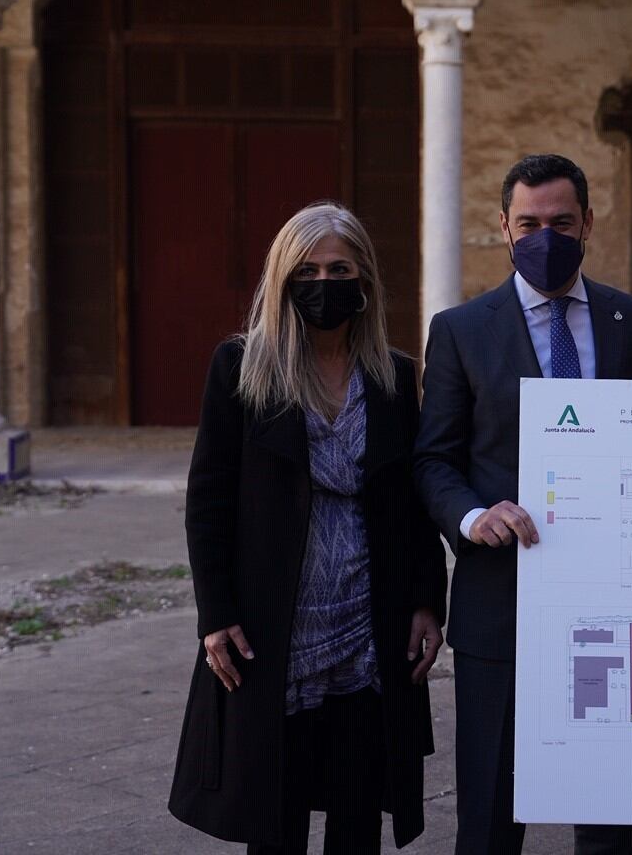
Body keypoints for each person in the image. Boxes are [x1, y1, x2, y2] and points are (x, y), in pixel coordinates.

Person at [414, 154, 632, 855]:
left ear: (588, 223)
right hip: (501, 606)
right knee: (490, 822)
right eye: (529, 222)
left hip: (614, 610)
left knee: (606, 819)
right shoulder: (460, 330)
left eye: (561, 222)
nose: (545, 235)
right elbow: (434, 460)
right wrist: (475, 518)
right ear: (503, 226)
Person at [168, 202, 448, 854]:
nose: (326, 283)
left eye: (341, 268)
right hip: (275, 633)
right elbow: (207, 499)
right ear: (284, 278)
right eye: (310, 270)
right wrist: (216, 613)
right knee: (274, 816)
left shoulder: (394, 378)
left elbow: (414, 502)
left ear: (365, 280)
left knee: (358, 816)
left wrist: (429, 602)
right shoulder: (242, 368)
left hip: (366, 633)